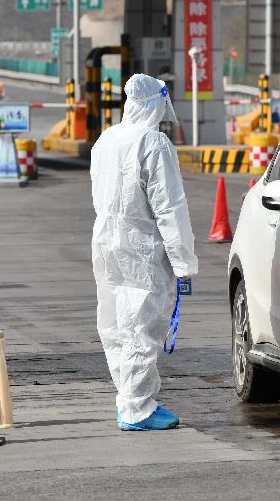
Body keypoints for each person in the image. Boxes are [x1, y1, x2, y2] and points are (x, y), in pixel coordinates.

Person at [90, 74, 199, 431]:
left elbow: (98, 193)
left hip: (106, 242)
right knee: (141, 325)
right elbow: (170, 208)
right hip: (141, 247)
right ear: (155, 105)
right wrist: (183, 262)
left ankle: (129, 397)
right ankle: (136, 408)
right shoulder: (154, 143)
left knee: (115, 324)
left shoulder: (106, 139)